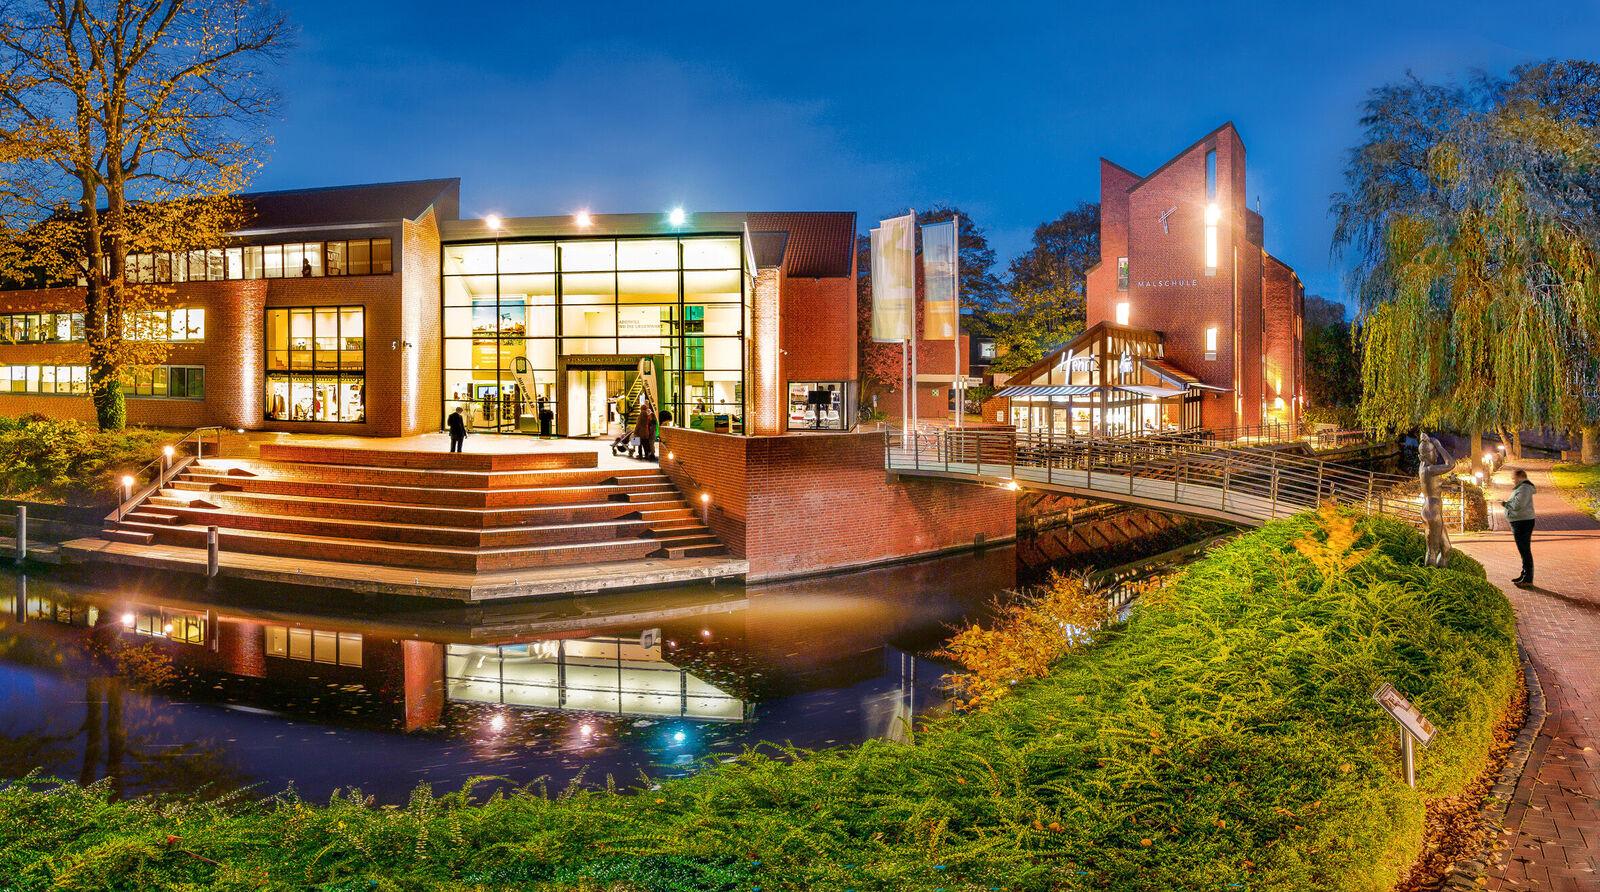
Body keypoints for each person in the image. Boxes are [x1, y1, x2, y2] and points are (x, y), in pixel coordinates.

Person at [1502, 468, 1537, 586]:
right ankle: (1524, 575)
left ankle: (1528, 579)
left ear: (1520, 477)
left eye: (1514, 478)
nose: (1513, 481)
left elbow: (1518, 505)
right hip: (1521, 520)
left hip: (1522, 521)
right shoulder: (1522, 488)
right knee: (1523, 550)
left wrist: (1505, 504)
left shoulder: (1524, 489)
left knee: (1525, 550)